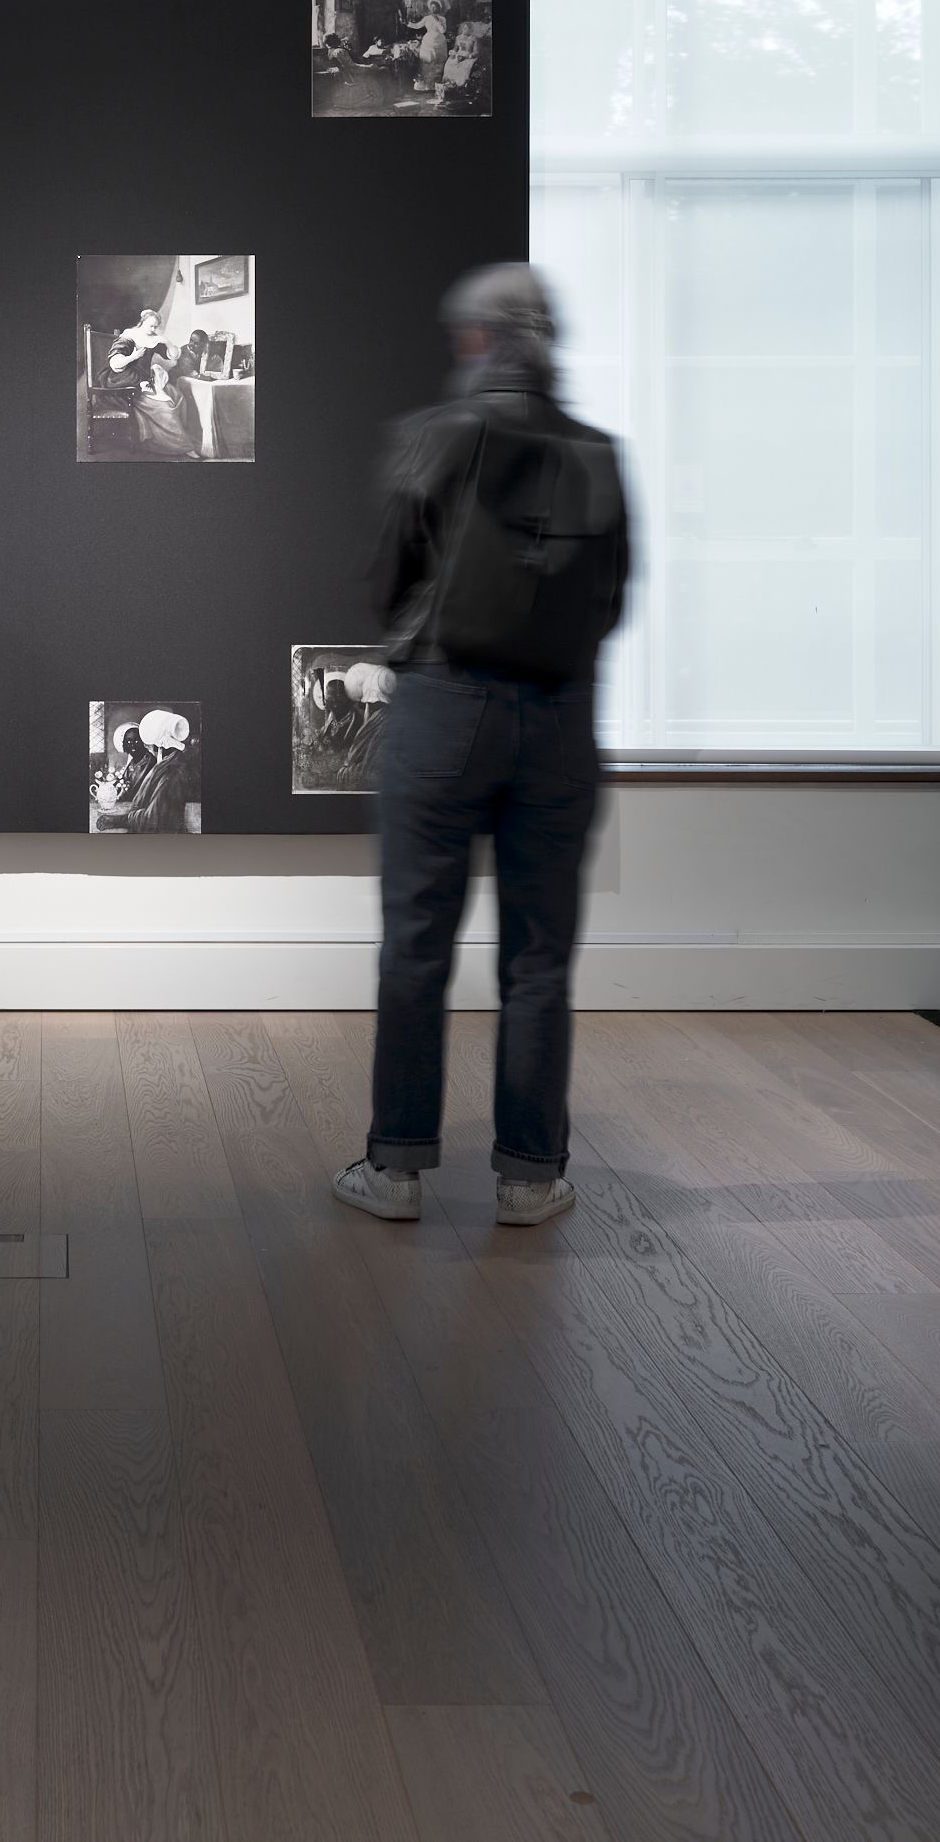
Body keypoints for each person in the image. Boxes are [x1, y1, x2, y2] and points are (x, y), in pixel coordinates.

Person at [334, 265, 632, 1229]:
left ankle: (396, 1171)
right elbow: (614, 599)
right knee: (539, 956)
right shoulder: (598, 452)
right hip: (560, 721)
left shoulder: (434, 435)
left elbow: (387, 584)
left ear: (474, 342)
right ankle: (529, 1177)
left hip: (444, 709)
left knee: (416, 943)